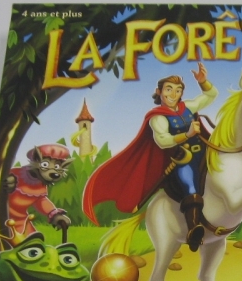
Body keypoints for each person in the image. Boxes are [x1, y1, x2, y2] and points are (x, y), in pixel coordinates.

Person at [82, 63, 217, 251]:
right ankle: (194, 229)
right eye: (169, 89)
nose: (173, 94)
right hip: (184, 159)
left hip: (206, 151)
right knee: (190, 186)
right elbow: (163, 141)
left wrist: (203, 82)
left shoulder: (188, 106)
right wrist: (187, 135)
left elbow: (211, 95)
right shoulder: (157, 117)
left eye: (178, 90)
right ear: (159, 92)